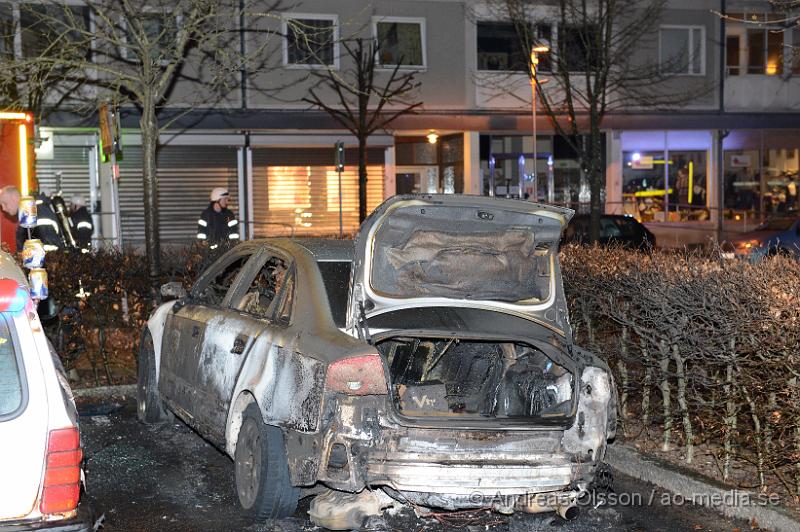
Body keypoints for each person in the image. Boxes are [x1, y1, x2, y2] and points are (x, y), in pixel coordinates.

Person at [0, 186, 64, 252]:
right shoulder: (30, 214)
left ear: (14, 198)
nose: (3, 208)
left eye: (4, 203)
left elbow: (51, 251)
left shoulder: (37, 213)